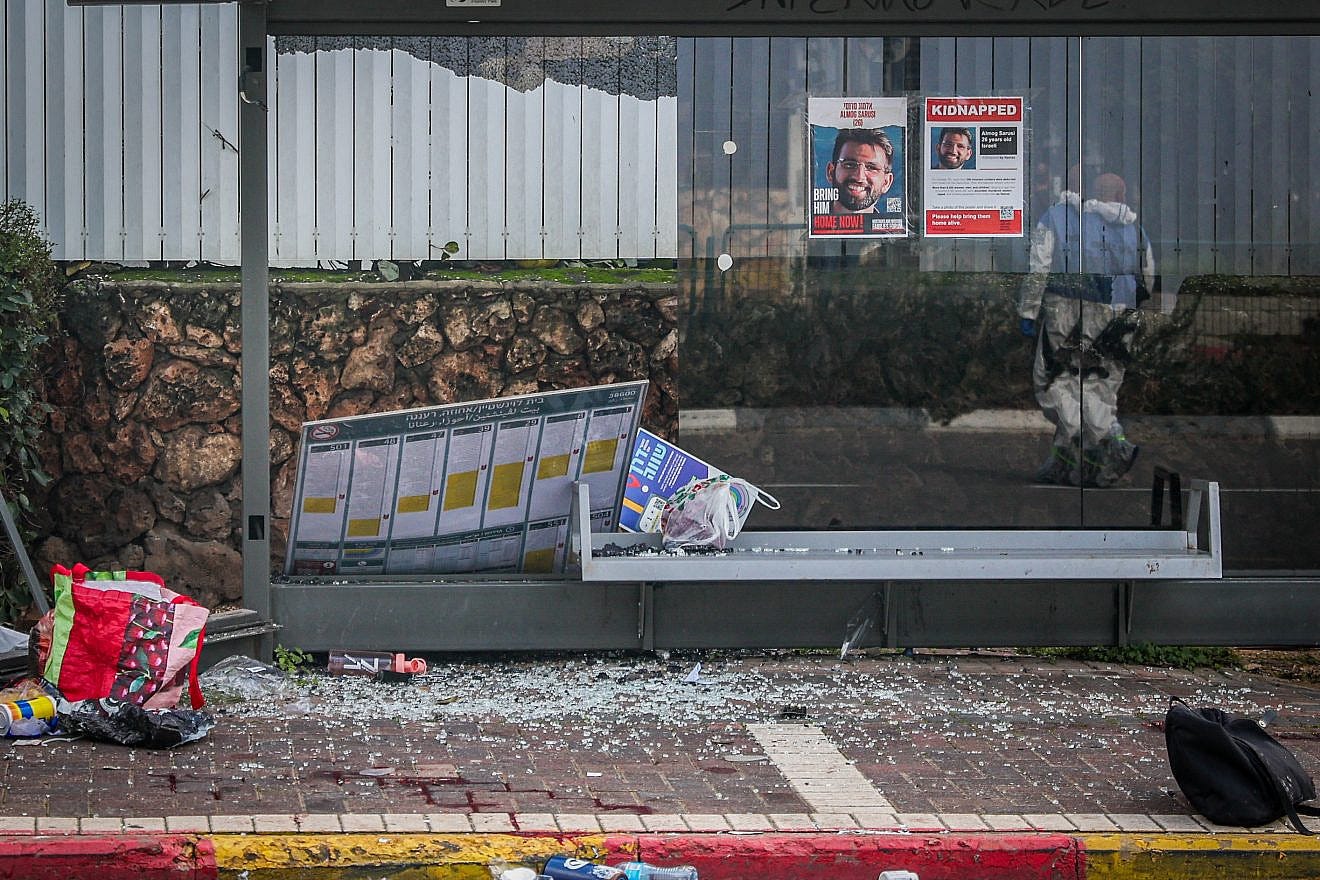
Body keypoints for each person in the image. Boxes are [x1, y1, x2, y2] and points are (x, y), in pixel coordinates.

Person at [1018, 170, 1154, 487]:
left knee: (1054, 382)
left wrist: (1028, 309)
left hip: (1067, 309)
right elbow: (1146, 277)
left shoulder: (1058, 217)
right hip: (1119, 315)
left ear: (1094, 193)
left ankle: (1110, 440)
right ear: (1121, 197)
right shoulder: (1135, 229)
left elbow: (1038, 265)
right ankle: (1068, 462)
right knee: (1099, 389)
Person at [826, 129, 896, 213]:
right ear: (831, 172)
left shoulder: (899, 225)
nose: (859, 177)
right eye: (850, 165)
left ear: (886, 182)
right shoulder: (809, 222)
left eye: (871, 167)